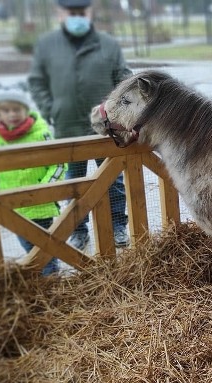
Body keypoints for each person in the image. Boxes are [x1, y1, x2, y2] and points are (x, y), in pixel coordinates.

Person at [28, 0, 133, 250]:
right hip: (68, 129)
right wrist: (51, 109)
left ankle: (118, 225)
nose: (77, 17)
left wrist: (121, 108)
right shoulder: (47, 45)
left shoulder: (107, 44)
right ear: (60, 14)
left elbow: (123, 77)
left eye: (81, 12)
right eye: (71, 13)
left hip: (104, 129)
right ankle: (78, 230)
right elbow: (37, 81)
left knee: (113, 182)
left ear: (90, 13)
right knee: (73, 183)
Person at [0, 82, 65, 275]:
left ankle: (51, 281)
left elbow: (58, 163)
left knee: (43, 249)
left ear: (26, 109)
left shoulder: (40, 133)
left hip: (39, 205)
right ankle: (45, 278)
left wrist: (44, 189)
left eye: (17, 109)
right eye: (6, 110)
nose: (12, 114)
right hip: (13, 206)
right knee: (29, 248)